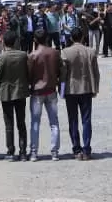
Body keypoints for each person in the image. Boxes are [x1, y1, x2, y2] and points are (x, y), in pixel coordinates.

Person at [61, 26, 99, 161]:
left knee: (73, 120)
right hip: (87, 88)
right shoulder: (91, 51)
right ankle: (87, 149)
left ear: (71, 38)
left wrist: (61, 91)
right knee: (86, 120)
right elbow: (96, 72)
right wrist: (96, 89)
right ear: (83, 37)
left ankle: (76, 149)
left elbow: (63, 75)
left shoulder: (65, 52)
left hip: (71, 90)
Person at [0, 30, 29, 161]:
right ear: (15, 42)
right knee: (21, 123)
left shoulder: (1, 57)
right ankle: (23, 151)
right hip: (21, 92)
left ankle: (10, 151)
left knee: (9, 123)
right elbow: (28, 72)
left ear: (4, 42)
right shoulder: (23, 55)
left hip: (6, 92)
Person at [27, 26, 61, 161]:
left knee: (35, 122)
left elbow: (29, 74)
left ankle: (34, 152)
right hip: (51, 90)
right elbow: (59, 70)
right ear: (47, 38)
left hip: (37, 91)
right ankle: (54, 152)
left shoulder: (33, 55)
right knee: (54, 122)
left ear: (35, 39)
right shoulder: (55, 53)